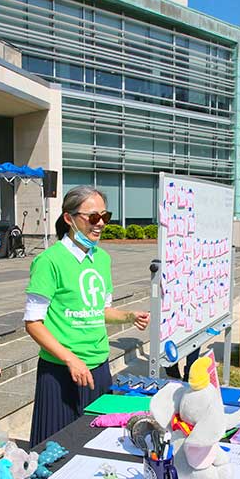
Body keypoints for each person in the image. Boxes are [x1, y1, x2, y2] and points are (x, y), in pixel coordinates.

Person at [24, 185, 150, 446]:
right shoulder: (50, 261)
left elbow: (101, 310)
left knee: (96, 443)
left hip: (98, 366)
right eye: (93, 217)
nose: (101, 223)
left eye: (105, 216)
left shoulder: (101, 259)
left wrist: (128, 316)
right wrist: (70, 359)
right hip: (61, 371)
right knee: (55, 449)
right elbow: (33, 323)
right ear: (69, 218)